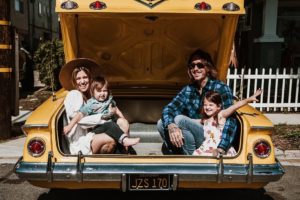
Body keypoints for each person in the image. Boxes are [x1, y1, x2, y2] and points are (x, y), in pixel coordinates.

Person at [157, 48, 237, 155]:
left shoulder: (220, 88)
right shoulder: (188, 89)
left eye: (200, 65)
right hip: (195, 134)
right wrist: (171, 126)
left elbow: (231, 120)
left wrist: (221, 147)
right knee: (162, 124)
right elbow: (169, 108)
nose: (195, 69)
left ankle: (190, 159)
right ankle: (179, 158)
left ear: (208, 68)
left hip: (213, 137)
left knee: (180, 119)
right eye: (192, 66)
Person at [63, 76, 140, 147]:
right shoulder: (91, 104)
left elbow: (116, 110)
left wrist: (123, 119)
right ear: (93, 92)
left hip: (110, 122)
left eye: (105, 91)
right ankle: (124, 140)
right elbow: (79, 115)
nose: (102, 93)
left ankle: (125, 147)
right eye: (99, 91)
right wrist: (69, 126)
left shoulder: (109, 100)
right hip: (98, 127)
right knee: (110, 125)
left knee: (123, 122)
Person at [60, 58, 116, 155]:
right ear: (74, 81)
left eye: (85, 77)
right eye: (78, 78)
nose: (82, 81)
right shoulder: (75, 94)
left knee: (115, 133)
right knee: (112, 139)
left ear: (90, 78)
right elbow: (79, 120)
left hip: (89, 136)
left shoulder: (89, 97)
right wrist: (103, 117)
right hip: (80, 143)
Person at [193, 89, 262, 156]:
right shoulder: (206, 120)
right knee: (195, 155)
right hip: (206, 147)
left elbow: (235, 106)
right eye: (205, 105)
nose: (207, 107)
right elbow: (190, 121)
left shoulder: (221, 115)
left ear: (219, 106)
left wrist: (249, 99)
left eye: (211, 105)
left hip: (218, 148)